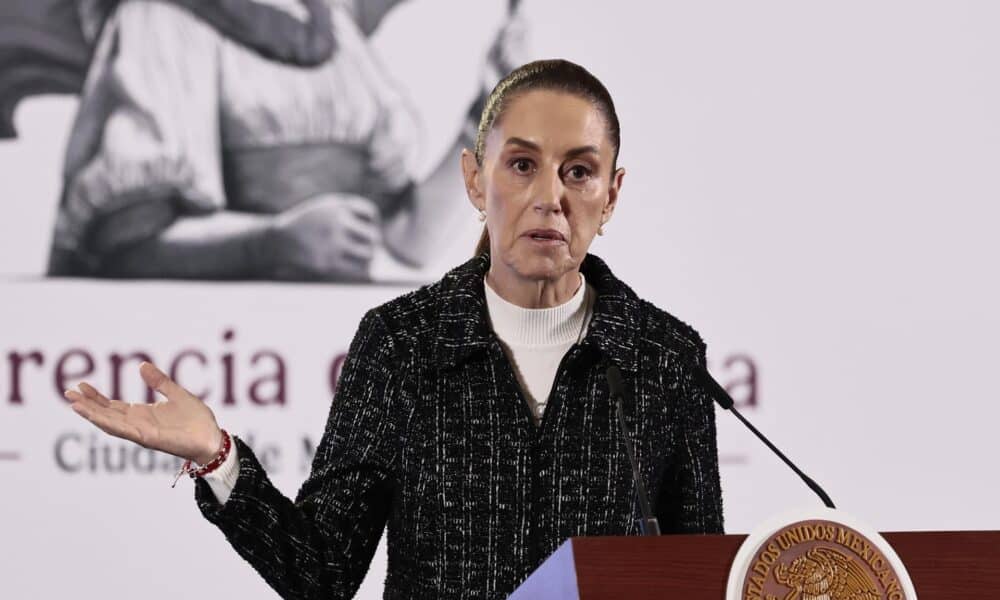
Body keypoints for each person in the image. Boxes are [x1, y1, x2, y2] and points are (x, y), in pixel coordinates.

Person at [66, 59, 724, 599]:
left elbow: (700, 579)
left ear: (610, 194)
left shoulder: (664, 357)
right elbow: (319, 572)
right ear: (474, 179)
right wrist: (217, 456)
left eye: (578, 172)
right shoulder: (404, 343)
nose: (550, 195)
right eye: (521, 165)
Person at [45, 0, 523, 281]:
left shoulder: (332, 28)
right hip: (216, 355)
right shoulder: (158, 20)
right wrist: (273, 243)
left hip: (317, 350)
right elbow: (127, 247)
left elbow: (407, 238)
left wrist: (489, 118)